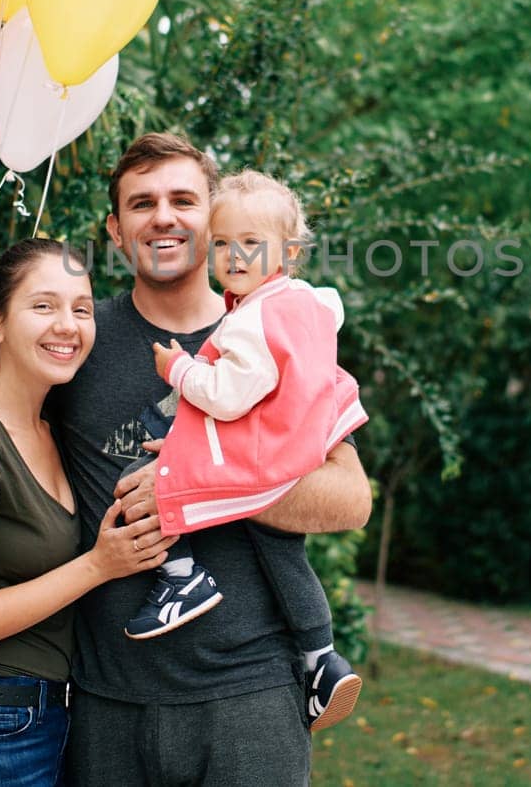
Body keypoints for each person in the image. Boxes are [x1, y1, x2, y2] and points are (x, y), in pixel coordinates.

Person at [47, 133, 373, 786]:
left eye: (183, 199)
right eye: (142, 203)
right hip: (106, 697)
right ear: (116, 229)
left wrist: (206, 477)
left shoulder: (273, 334)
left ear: (214, 218)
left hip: (248, 696)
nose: (163, 216)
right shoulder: (76, 341)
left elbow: (350, 498)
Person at [0, 238, 176, 787]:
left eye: (81, 308)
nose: (68, 325)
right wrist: (99, 565)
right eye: (44, 306)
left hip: (43, 714)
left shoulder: (50, 431)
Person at [126, 169, 366, 734]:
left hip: (261, 459)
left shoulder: (249, 320)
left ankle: (182, 575)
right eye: (224, 243)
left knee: (151, 472)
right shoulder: (302, 301)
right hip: (294, 449)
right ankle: (320, 660)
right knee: (283, 550)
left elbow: (229, 397)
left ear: (289, 252)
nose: (235, 256)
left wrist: (179, 367)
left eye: (251, 244)